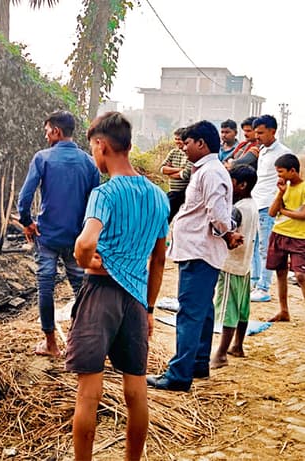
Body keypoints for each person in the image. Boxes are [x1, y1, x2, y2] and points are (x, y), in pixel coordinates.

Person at [67, 112, 169, 461]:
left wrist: (88, 261)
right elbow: (159, 260)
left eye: (92, 148)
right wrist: (150, 308)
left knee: (88, 394)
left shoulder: (104, 194)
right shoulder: (158, 197)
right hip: (137, 300)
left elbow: (84, 244)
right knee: (136, 391)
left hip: (100, 295)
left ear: (102, 145)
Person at [148, 120, 243, 392]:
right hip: (198, 250)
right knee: (203, 310)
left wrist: (228, 233)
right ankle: (199, 363)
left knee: (189, 312)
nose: (183, 148)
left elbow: (217, 213)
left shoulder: (210, 172)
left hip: (199, 252)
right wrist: (226, 233)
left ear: (201, 143)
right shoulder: (207, 170)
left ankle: (179, 375)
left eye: (187, 143)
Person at [17, 110, 100, 358]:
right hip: (78, 238)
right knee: (81, 288)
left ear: (56, 131)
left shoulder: (43, 158)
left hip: (47, 235)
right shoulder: (89, 163)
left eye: (47, 131)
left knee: (46, 285)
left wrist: (27, 222)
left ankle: (51, 344)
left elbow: (25, 198)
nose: (46, 136)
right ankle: (79, 344)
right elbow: (95, 203)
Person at [210, 165, 258, 369]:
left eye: (232, 182)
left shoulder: (237, 209)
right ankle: (238, 345)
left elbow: (227, 232)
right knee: (242, 308)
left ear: (242, 185)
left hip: (230, 265)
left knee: (228, 310)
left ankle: (221, 354)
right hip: (245, 265)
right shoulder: (252, 205)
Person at [250, 115, 293, 302]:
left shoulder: (283, 153)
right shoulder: (262, 150)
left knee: (265, 248)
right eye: (256, 133)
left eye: (260, 133)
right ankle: (254, 282)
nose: (257, 136)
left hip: (268, 205)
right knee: (253, 245)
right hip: (256, 202)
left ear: (272, 131)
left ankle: (263, 288)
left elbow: (289, 182)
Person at [265, 154, 305, 322]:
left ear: (292, 171)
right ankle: (284, 310)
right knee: (280, 272)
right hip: (279, 233)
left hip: (299, 237)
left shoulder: (303, 188)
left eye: (281, 172)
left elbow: (303, 215)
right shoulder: (284, 187)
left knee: (301, 275)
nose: (278, 175)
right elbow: (272, 212)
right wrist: (280, 194)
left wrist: (284, 211)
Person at [160, 127, 192, 222]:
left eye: (179, 139)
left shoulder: (189, 153)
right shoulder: (173, 152)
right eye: (176, 139)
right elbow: (162, 169)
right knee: (164, 215)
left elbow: (185, 175)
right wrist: (179, 169)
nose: (177, 141)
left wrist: (170, 172)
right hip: (173, 190)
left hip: (183, 192)